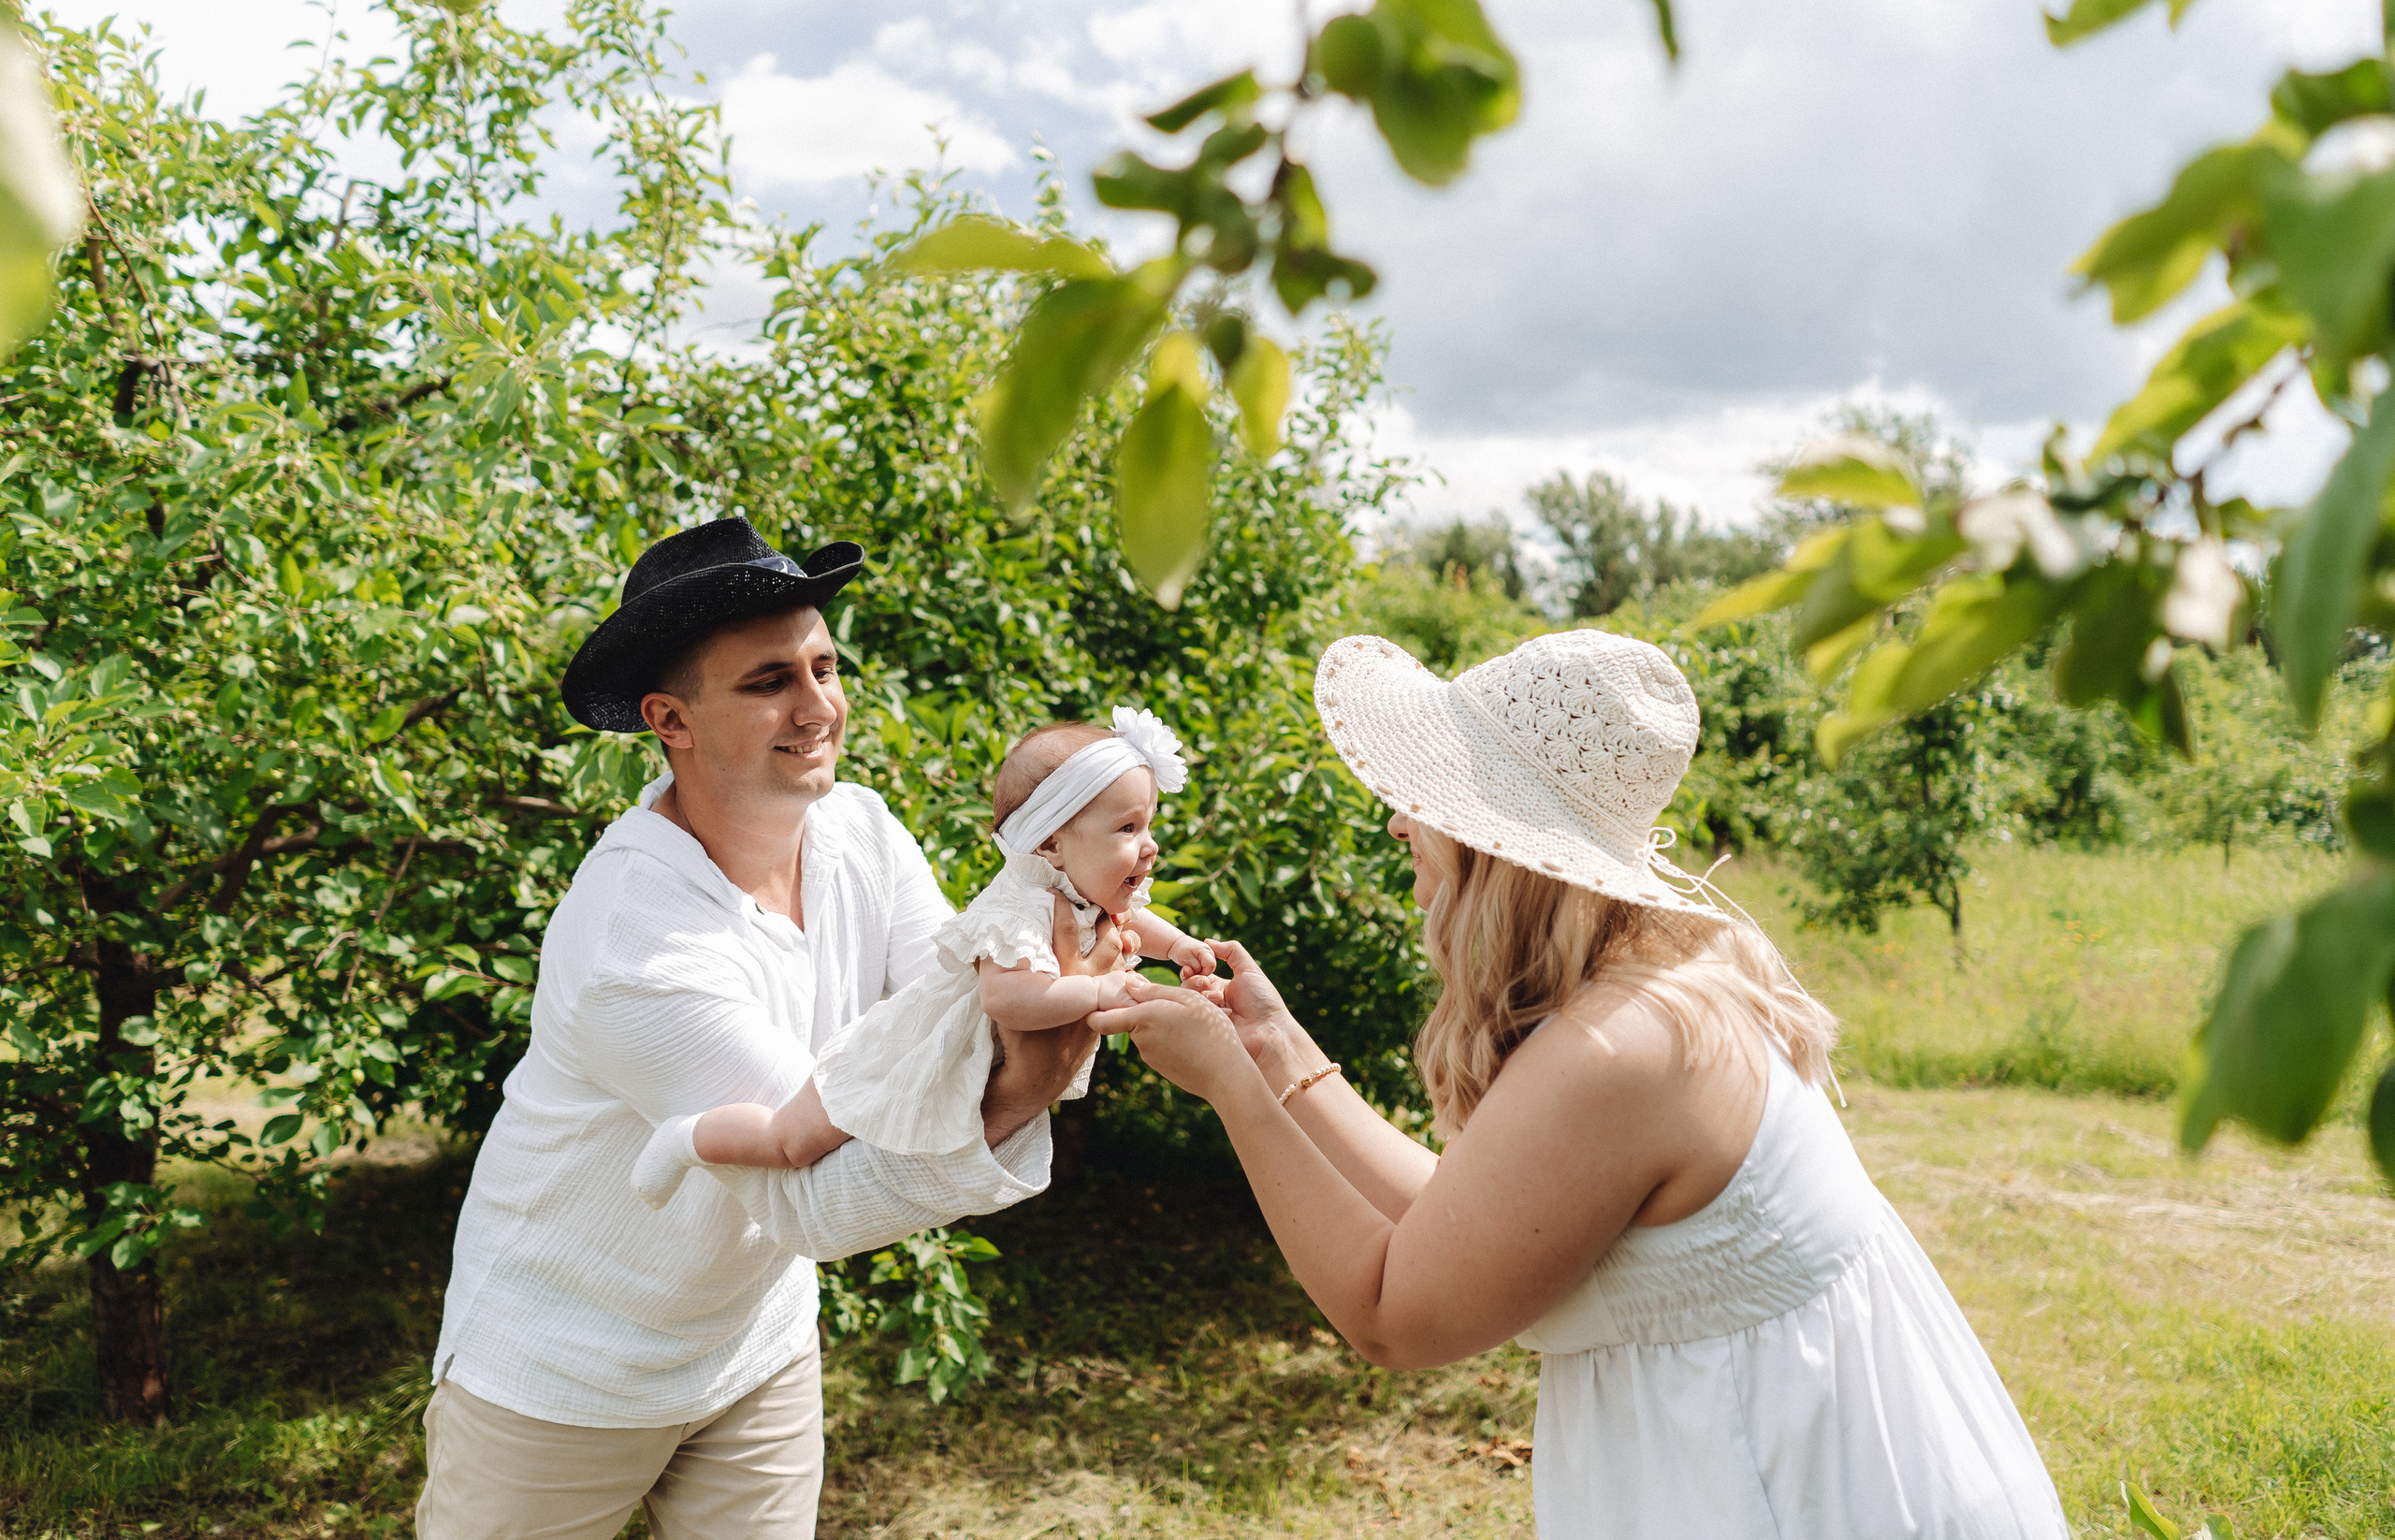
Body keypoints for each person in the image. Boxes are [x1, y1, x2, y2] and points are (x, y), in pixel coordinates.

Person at [1090, 629, 2070, 1539]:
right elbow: (1462, 1219)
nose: (1396, 820)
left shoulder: (1615, 1050)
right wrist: (1279, 1051)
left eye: (1425, 797)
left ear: (1492, 839)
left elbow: (1395, 1315)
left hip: (1789, 1490)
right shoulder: (1658, 981)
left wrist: (1233, 1088)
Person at [417, 518, 1102, 1540]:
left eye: (825, 666)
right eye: (769, 680)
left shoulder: (863, 832)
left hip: (754, 1346)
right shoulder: (635, 942)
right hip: (562, 1371)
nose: (817, 705)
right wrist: (1029, 1082)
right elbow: (815, 1198)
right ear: (670, 720)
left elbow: (951, 1028)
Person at [631, 709, 1221, 1198]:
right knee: (793, 1142)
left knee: (926, 1139)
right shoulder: (1020, 909)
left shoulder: (1080, 888)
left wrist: (1179, 946)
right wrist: (1097, 990)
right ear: (1050, 843)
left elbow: (1133, 917)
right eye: (1127, 829)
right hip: (896, 1053)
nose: (1150, 845)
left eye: (1148, 826)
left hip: (959, 1061)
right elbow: (1007, 998)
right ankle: (689, 1139)